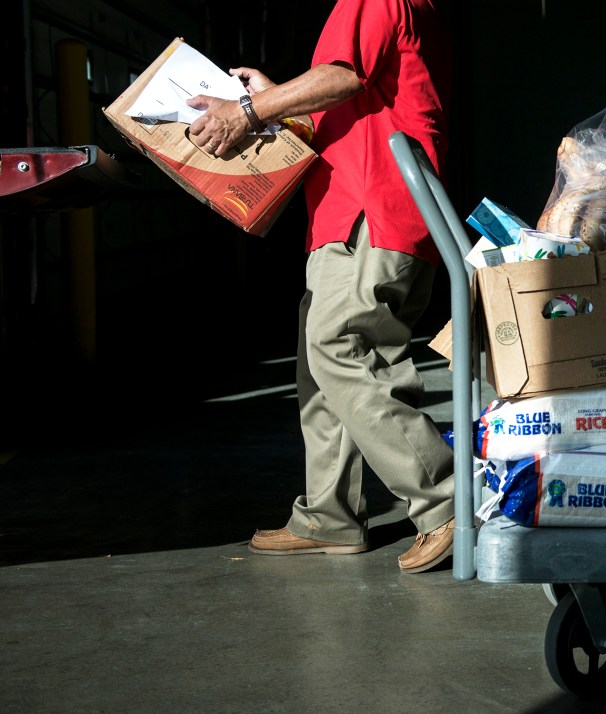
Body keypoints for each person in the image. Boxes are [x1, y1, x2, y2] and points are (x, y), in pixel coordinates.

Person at [186, 0, 455, 573]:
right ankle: (329, 517)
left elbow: (342, 77)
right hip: (349, 214)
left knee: (340, 349)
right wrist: (280, 94)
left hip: (371, 209)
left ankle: (449, 503)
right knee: (322, 370)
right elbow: (352, 96)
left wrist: (249, 109)